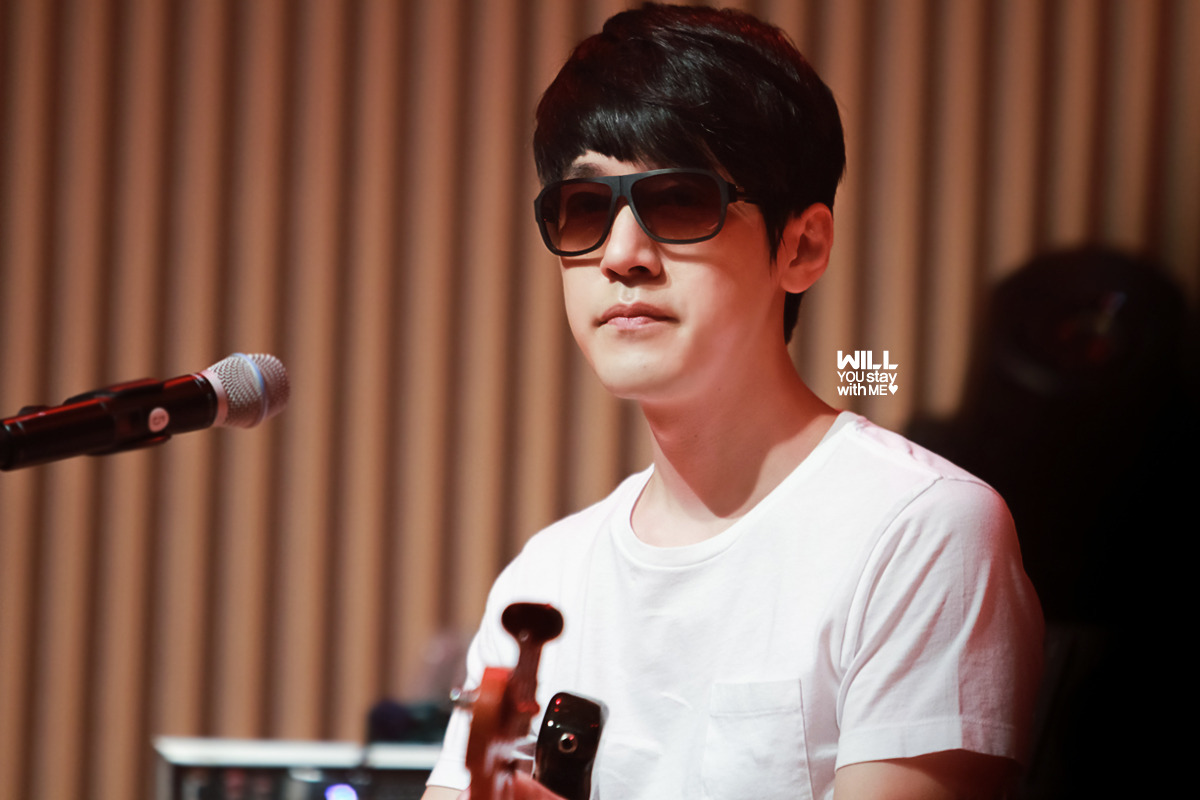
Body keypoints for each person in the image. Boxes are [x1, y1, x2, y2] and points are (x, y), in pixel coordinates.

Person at [423, 4, 1043, 799]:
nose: (622, 255)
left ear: (802, 246)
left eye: (679, 201)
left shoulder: (920, 531)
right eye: (585, 209)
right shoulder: (545, 577)